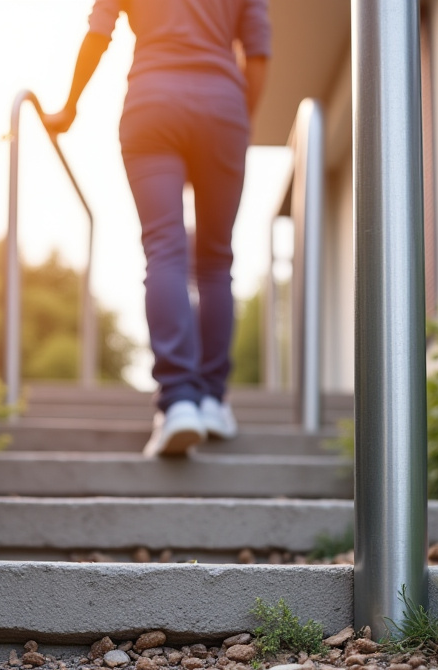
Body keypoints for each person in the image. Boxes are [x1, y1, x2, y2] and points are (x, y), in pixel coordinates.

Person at [43, 0, 270, 458]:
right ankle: (210, 399)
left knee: (164, 250)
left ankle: (178, 401)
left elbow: (99, 32)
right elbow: (259, 55)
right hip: (222, 106)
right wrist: (234, 121)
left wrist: (69, 108)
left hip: (152, 104)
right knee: (214, 261)